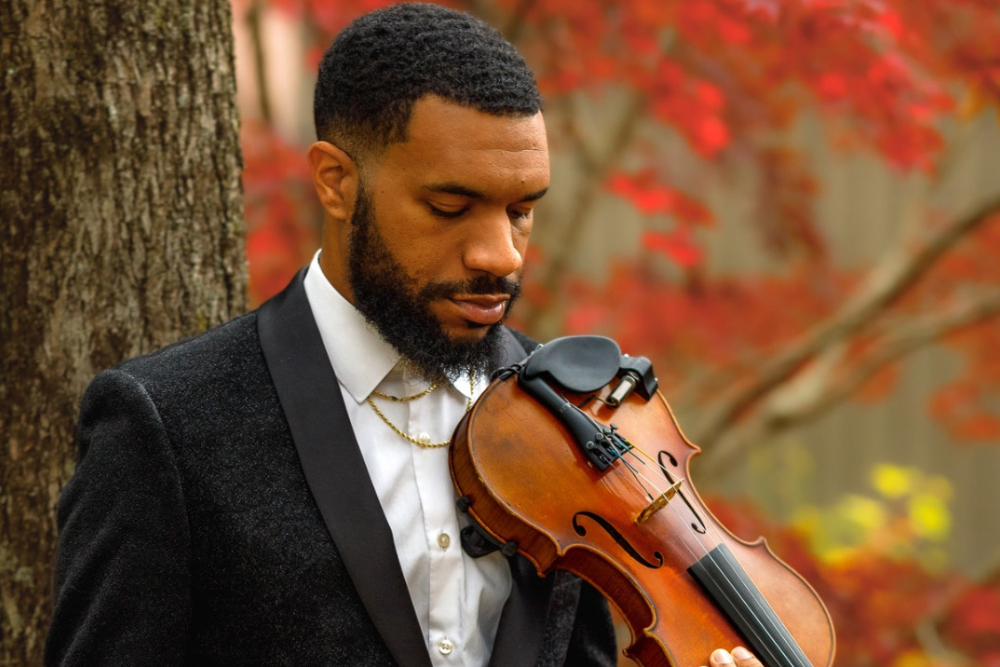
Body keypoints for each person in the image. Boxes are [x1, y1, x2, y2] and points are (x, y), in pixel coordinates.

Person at [46, 4, 767, 666]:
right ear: (336, 182)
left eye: (521, 211)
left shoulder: (570, 415)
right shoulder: (167, 423)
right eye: (451, 207)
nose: (501, 255)